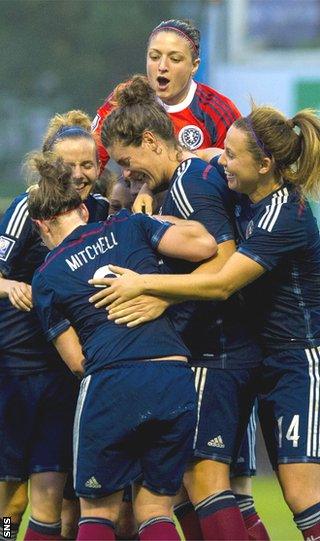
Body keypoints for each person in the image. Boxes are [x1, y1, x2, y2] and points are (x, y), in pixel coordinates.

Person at [91, 103, 320, 541]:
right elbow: (209, 156)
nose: (223, 164)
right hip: (260, 355)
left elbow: (221, 280)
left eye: (233, 157)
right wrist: (197, 159)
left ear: (265, 164)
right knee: (211, 488)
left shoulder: (282, 214)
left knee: (297, 494)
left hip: (295, 358)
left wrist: (150, 290)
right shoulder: (233, 185)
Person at [28, 153, 217, 541]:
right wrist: (156, 219)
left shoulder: (46, 277)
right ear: (82, 209)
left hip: (111, 382)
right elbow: (204, 244)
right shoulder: (129, 225)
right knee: (156, 508)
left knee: (97, 510)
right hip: (173, 375)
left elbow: (78, 361)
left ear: (40, 225)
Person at [0, 110, 108, 541]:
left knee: (53, 493)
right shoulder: (27, 207)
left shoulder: (102, 210)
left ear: (99, 167)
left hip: (67, 374)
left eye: (88, 165)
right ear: (49, 165)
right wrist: (9, 286)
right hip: (16, 371)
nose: (79, 174)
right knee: (12, 498)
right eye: (68, 165)